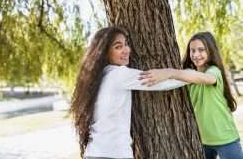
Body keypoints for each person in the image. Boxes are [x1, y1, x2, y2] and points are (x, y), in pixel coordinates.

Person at [70, 27, 186, 159]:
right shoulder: (118, 74)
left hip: (94, 153)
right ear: (104, 52)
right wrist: (193, 75)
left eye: (126, 44)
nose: (127, 50)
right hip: (113, 154)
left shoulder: (95, 79)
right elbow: (166, 82)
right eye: (118, 47)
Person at [141, 32, 243, 159]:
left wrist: (169, 72)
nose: (195, 55)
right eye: (192, 50)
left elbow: (205, 78)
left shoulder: (213, 71)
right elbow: (189, 76)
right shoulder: (188, 76)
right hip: (202, 141)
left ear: (210, 51)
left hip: (226, 139)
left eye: (201, 50)